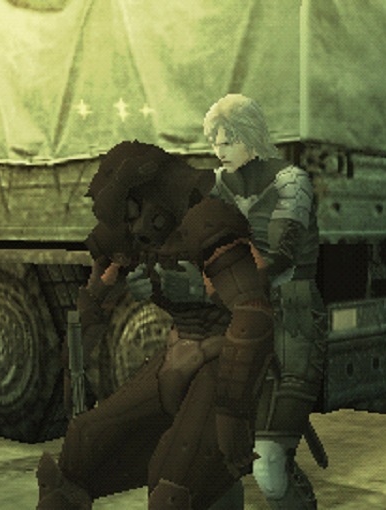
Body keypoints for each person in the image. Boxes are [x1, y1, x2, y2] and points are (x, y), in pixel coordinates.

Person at [35, 140, 274, 510]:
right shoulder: (131, 233)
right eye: (126, 218)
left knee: (173, 491)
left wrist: (233, 413)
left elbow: (252, 314)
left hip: (225, 362)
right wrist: (74, 365)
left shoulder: (208, 223)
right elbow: (94, 298)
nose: (131, 227)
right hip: (176, 358)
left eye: (134, 214)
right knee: (83, 442)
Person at [203, 94, 326, 509]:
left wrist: (224, 277)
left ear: (251, 136)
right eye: (214, 141)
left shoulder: (291, 182)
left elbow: (280, 256)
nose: (219, 149)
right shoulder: (217, 186)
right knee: (216, 456)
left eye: (228, 139)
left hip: (292, 322)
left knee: (270, 468)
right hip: (237, 321)